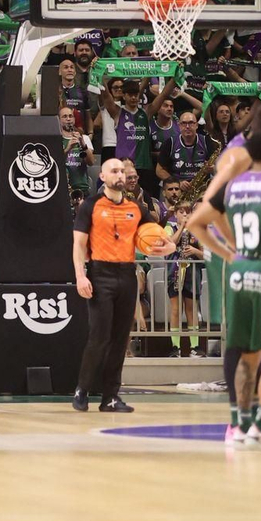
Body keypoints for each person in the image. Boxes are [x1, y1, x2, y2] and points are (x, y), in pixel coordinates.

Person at [185, 129, 261, 447]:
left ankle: (239, 425)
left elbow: (196, 221)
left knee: (246, 353)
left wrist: (231, 251)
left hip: (239, 270)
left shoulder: (233, 187)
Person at [73, 158, 170, 412]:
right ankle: (82, 389)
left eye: (123, 171)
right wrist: (80, 276)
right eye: (114, 170)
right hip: (99, 273)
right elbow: (78, 244)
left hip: (127, 274)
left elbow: (157, 236)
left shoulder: (136, 208)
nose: (120, 174)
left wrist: (166, 245)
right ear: (103, 176)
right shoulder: (91, 206)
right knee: (99, 336)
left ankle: (110, 397)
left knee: (120, 339)